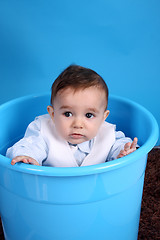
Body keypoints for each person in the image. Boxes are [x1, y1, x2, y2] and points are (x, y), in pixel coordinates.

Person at [6, 65, 138, 167]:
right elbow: (29, 145)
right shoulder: (42, 129)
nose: (78, 124)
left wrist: (123, 152)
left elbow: (119, 145)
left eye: (89, 115)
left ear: (104, 117)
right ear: (52, 113)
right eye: (67, 114)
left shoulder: (108, 133)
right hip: (51, 193)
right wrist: (26, 156)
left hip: (97, 190)